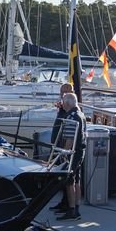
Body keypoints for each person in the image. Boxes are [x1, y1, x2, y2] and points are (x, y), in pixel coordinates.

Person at [51, 90, 85, 219]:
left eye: (63, 103)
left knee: (69, 182)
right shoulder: (80, 114)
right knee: (77, 181)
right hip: (80, 152)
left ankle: (71, 211)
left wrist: (63, 154)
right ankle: (76, 208)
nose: (62, 105)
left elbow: (70, 139)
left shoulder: (71, 117)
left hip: (72, 154)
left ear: (67, 104)